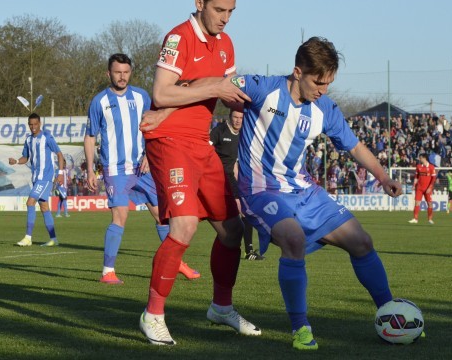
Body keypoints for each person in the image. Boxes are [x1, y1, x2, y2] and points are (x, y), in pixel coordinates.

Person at [228, 36, 402, 350]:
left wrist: (382, 176)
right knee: (293, 240)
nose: (323, 90)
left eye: (329, 83)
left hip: (305, 191)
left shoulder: (324, 109)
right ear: (298, 72)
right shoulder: (262, 88)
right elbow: (223, 84)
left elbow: (354, 146)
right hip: (260, 190)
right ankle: (301, 328)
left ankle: (393, 315)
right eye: (318, 82)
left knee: (362, 241)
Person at [138, 0, 260, 346]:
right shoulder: (179, 38)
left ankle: (221, 308)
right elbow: (161, 93)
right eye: (219, 9)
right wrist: (213, 87)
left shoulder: (226, 44)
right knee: (185, 224)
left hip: (200, 143)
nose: (225, 18)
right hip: (169, 141)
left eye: (231, 11)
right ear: (199, 3)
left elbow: (229, 91)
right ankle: (153, 314)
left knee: (232, 228)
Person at [85, 53, 201, 285]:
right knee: (121, 215)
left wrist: (150, 154)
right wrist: (90, 170)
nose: (122, 76)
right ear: (109, 74)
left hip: (143, 167)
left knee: (163, 217)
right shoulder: (99, 102)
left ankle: (176, 263)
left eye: (126, 72)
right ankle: (108, 271)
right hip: (115, 168)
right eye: (117, 72)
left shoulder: (142, 96)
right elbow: (90, 137)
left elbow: (153, 127)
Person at [209, 110, 263, 260]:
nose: (238, 120)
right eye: (235, 117)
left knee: (244, 211)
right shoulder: (219, 131)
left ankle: (248, 251)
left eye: (241, 118)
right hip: (217, 178)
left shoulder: (244, 133)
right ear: (229, 117)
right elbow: (205, 149)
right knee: (236, 213)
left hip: (232, 178)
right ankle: (243, 250)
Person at [9, 113, 64, 247]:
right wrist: (16, 161)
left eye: (35, 124)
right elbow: (25, 158)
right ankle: (53, 239)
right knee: (44, 207)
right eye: (30, 124)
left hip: (45, 178)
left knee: (30, 202)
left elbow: (59, 154)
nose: (33, 127)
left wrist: (60, 173)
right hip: (35, 178)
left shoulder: (47, 137)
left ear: (40, 123)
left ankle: (28, 237)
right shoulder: (28, 140)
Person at [408, 153, 436, 224]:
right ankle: (415, 219)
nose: (419, 159)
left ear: (424, 158)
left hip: (427, 189)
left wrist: (430, 188)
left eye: (420, 158)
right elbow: (416, 177)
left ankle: (430, 219)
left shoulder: (431, 167)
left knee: (429, 204)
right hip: (419, 188)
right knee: (417, 203)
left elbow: (433, 179)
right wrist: (414, 185)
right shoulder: (418, 166)